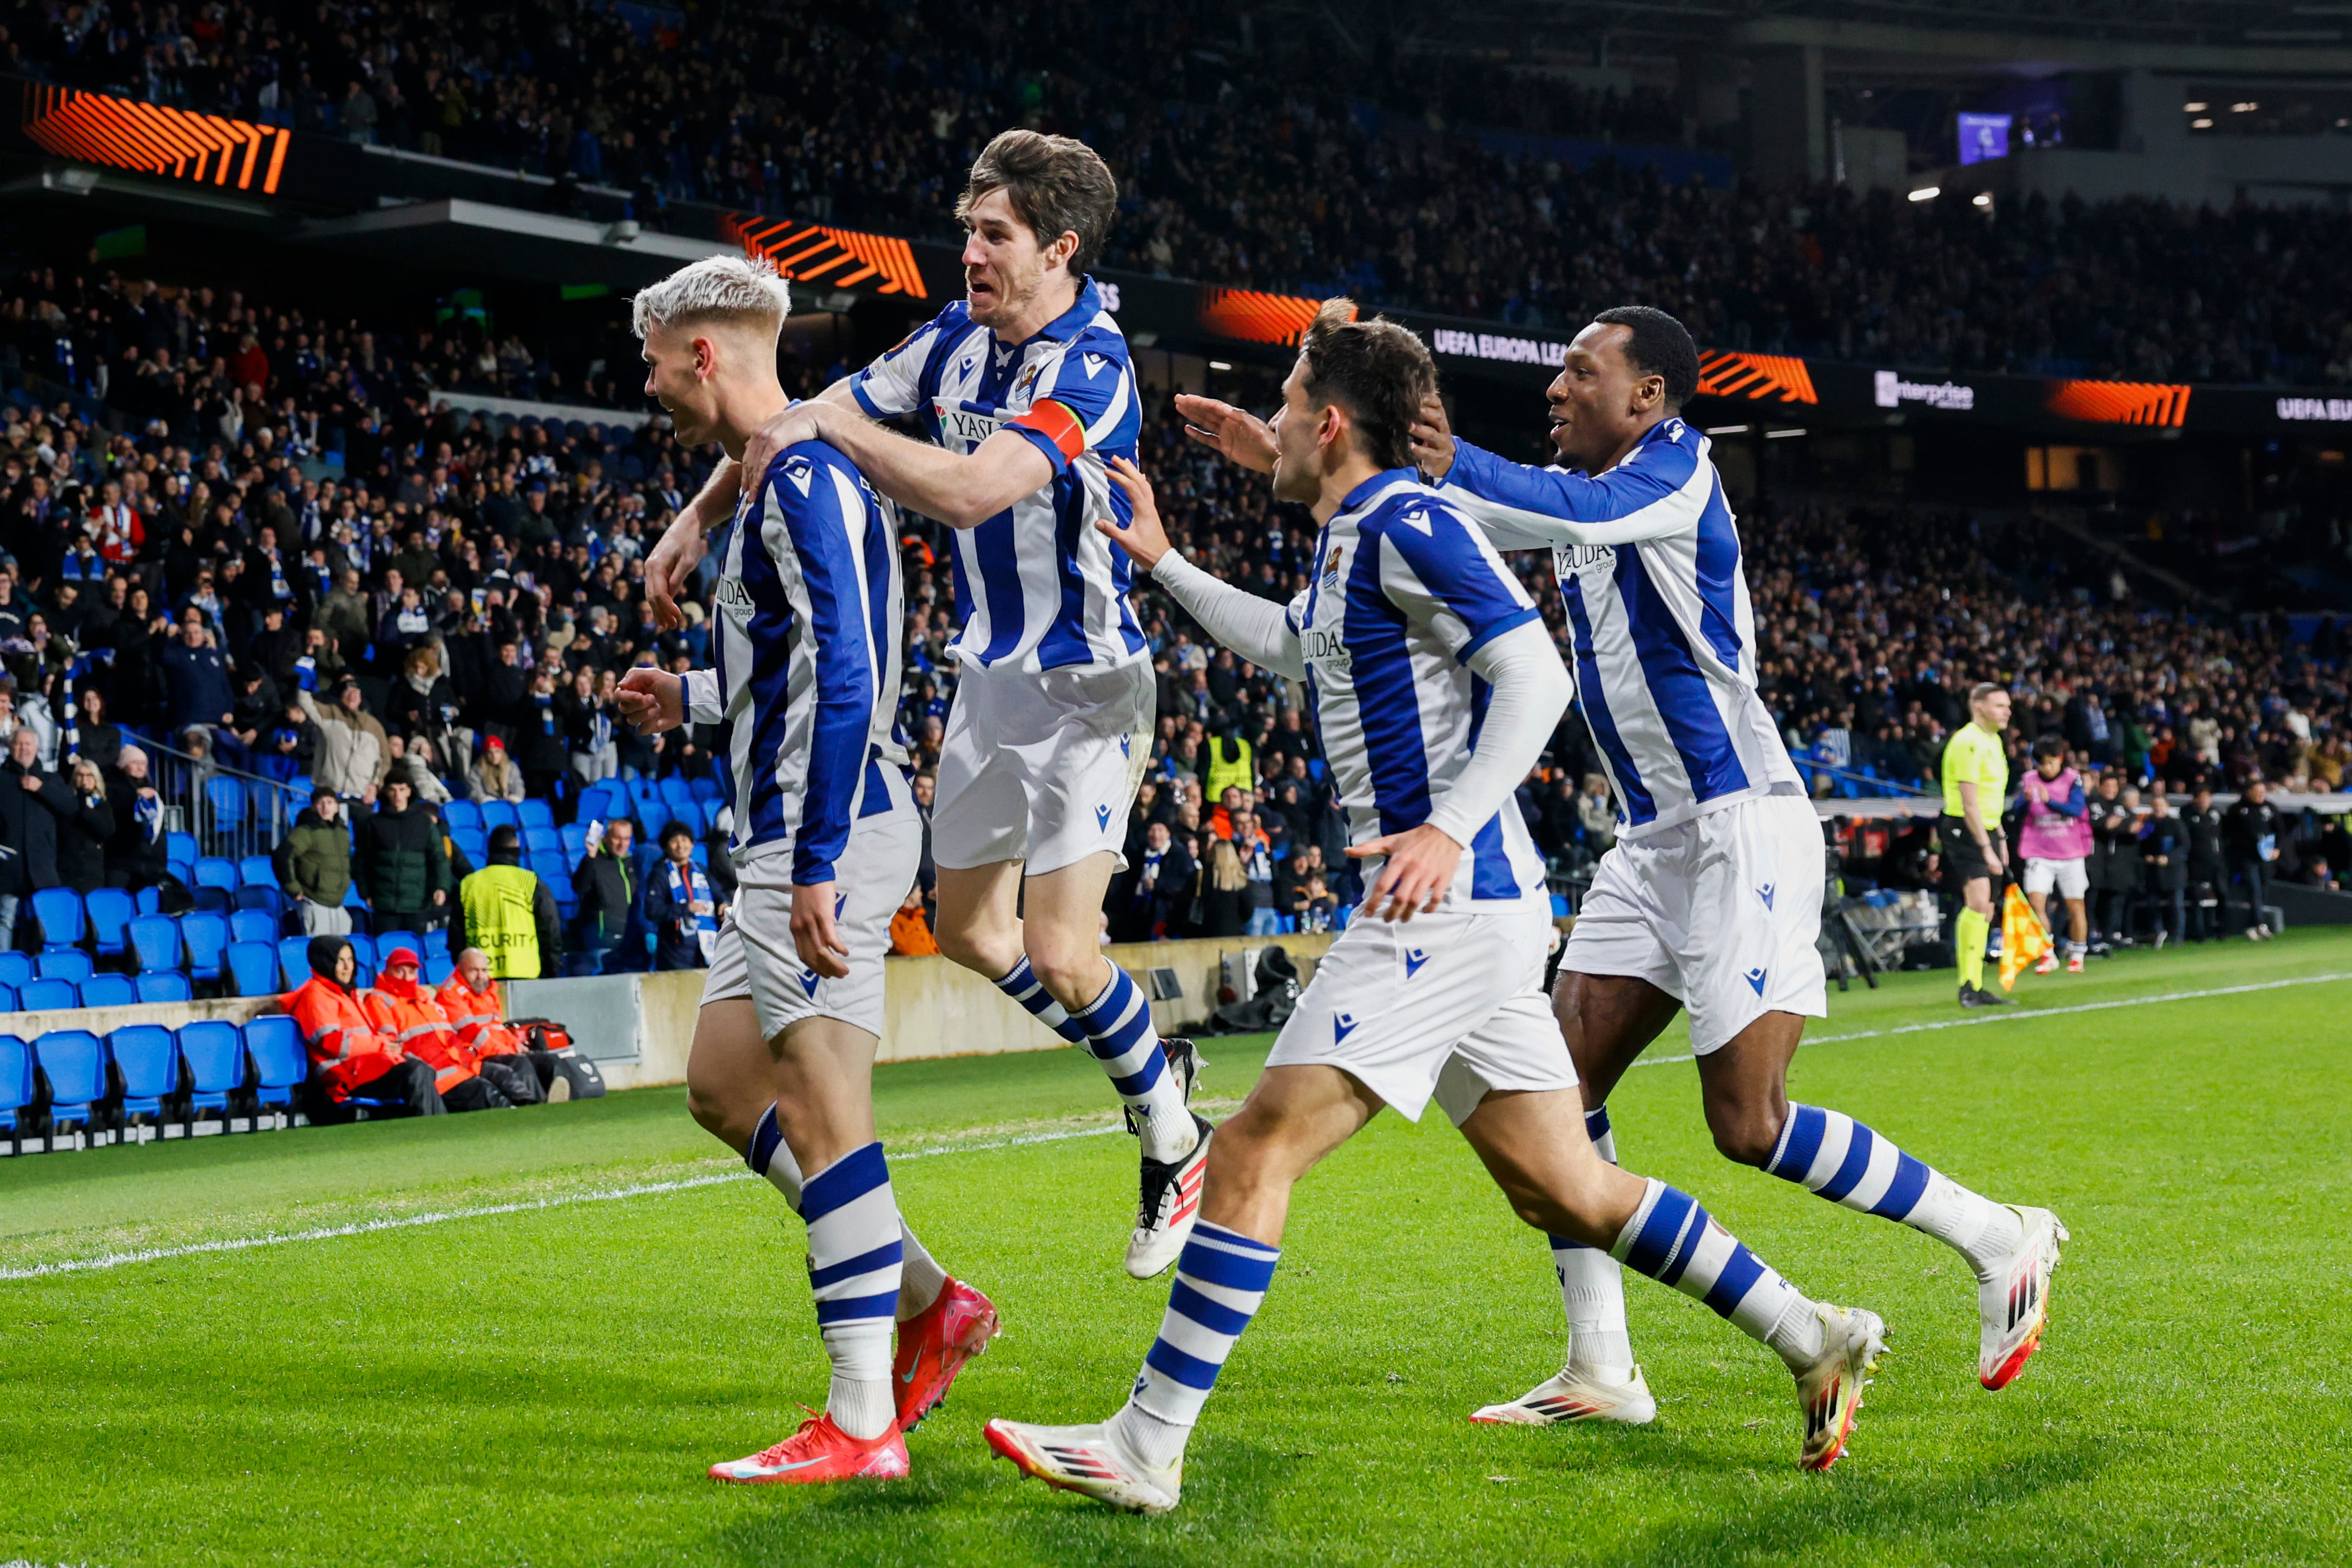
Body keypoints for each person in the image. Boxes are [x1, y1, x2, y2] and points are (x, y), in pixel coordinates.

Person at [983, 302, 1885, 1513]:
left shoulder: (1409, 521)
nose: (1274, 427)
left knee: (1251, 1147)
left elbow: (1535, 670)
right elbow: (1300, 648)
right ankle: (1809, 1334)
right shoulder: (1357, 532)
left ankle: (1144, 1446)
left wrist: (1448, 824)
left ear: (1333, 422)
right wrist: (1164, 564)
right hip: (1474, 915)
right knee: (1566, 1189)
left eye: (1289, 406)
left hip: (1446, 912)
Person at [1189, 304, 2061, 1425]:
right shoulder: (1571, 509)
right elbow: (1423, 520)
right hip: (1649, 845)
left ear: (1646, 395)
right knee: (1563, 1103)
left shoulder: (1673, 474)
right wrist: (1299, 448)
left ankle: (1999, 1236)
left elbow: (1567, 510)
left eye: (1578, 372)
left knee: (1746, 1125)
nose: (1555, 388)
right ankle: (1601, 1363)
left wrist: (1454, 458)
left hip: (1741, 820)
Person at [645, 131, 1208, 1279]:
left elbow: (966, 491)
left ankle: (1168, 1125)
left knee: (1056, 946)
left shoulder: (1091, 369)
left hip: (1092, 690)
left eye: (993, 236)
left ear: (1059, 249)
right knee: (962, 934)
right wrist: (698, 515)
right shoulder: (955, 339)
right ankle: (1155, 1065)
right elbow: (789, 416)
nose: (970, 254)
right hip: (988, 687)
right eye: (967, 231)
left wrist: (838, 425)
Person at [614, 253, 993, 1487]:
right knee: (728, 1085)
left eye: (656, 361)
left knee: (829, 1121)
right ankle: (928, 1303)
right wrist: (694, 694)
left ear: (704, 354)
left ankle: (861, 1420)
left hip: (814, 838)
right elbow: (786, 677)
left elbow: (849, 675)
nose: (651, 384)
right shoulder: (773, 479)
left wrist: (821, 860)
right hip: (782, 834)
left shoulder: (808, 475)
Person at [282, 936, 443, 1120]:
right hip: (342, 1076)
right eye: (340, 961)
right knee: (416, 1072)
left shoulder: (346, 993)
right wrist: (382, 1045)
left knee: (424, 1070)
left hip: (362, 1067)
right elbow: (331, 1042)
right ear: (325, 962)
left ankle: (433, 1130)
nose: (347, 967)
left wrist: (386, 1046)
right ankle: (433, 1131)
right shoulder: (316, 995)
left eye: (350, 960)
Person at [361, 946, 518, 1109]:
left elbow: (447, 1034)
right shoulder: (379, 1000)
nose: (406, 977)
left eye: (412, 972)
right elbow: (392, 1046)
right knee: (486, 1093)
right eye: (400, 971)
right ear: (387, 971)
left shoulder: (424, 997)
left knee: (505, 1075)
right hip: (438, 1074)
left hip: (462, 1064)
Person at [1940, 684, 2017, 1006]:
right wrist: (1986, 847)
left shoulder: (1994, 742)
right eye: (2000, 705)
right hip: (1964, 827)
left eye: (2008, 706)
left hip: (1987, 828)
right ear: (1979, 707)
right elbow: (1970, 803)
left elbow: (1990, 801)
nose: (2007, 711)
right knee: (1978, 901)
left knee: (1986, 909)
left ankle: (1976, 982)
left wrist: (2000, 838)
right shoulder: (1967, 742)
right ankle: (1967, 984)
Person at [437, 945, 574, 1103]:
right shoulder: (450, 995)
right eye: (474, 970)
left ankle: (563, 1101)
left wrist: (515, 1044)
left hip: (500, 1050)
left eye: (484, 970)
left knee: (549, 1061)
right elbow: (472, 1034)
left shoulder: (488, 991)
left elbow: (498, 1027)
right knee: (521, 1063)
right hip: (477, 1055)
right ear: (460, 969)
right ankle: (538, 1107)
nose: (480, 976)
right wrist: (507, 1051)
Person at [2018, 735, 2091, 973]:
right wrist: (2025, 803)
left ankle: (2078, 954)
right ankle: (2047, 954)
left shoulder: (2073, 779)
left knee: (2075, 906)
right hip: (2039, 852)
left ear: (2059, 760)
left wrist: (2050, 803)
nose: (2046, 768)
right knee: (2036, 903)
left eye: (2050, 763)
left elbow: (2076, 809)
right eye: (2041, 764)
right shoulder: (2028, 781)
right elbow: (2016, 812)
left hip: (2070, 853)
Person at [454, 824, 564, 979]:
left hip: (480, 976)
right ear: (517, 849)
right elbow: (551, 931)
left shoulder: (469, 884)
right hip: (526, 973)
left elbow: (456, 938)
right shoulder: (531, 882)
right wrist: (551, 971)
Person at [355, 776, 449, 934]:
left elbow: (439, 858)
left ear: (409, 792)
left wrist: (441, 887)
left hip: (417, 904)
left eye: (402, 790)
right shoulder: (374, 823)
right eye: (392, 790)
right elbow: (361, 860)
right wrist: (365, 893)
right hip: (384, 905)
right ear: (386, 793)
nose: (397, 796)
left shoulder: (424, 823)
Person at [0, 726, 62, 946]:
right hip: (8, 868)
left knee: (45, 922)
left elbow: (70, 808)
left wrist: (42, 788)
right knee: (5, 920)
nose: (23, 749)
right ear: (11, 747)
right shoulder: (2, 778)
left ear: (36, 748)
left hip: (42, 868)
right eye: (18, 744)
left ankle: (46, 972)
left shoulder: (50, 779)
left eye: (28, 744)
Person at [644, 819, 723, 970]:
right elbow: (652, 910)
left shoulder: (700, 869)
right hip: (675, 952)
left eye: (685, 840)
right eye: (674, 841)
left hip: (705, 947)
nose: (681, 846)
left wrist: (724, 904)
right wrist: (686, 908)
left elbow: (719, 894)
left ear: (692, 844)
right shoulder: (660, 873)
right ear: (666, 847)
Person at [275, 786, 354, 935]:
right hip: (315, 903)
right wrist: (293, 888)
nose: (325, 807)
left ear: (337, 807)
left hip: (338, 903)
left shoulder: (342, 831)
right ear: (313, 807)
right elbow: (282, 855)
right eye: (320, 803)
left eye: (330, 802)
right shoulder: (306, 831)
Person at [570, 816, 639, 971]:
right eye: (618, 838)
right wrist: (591, 856)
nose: (623, 844)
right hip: (603, 942)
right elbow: (579, 888)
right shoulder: (594, 861)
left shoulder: (633, 864)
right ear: (606, 838)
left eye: (627, 839)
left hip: (630, 942)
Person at [104, 743, 169, 890]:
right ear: (123, 765)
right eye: (135, 763)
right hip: (120, 862)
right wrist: (136, 795)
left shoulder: (152, 793)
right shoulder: (112, 788)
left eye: (144, 764)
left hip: (150, 862)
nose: (140, 768)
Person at [2223, 779, 2282, 939]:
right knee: (2254, 889)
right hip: (2246, 857)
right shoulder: (2237, 810)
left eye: (2263, 792)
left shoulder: (2270, 808)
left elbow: (2280, 831)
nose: (2261, 796)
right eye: (2258, 792)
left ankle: (2254, 924)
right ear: (2249, 792)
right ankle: (2259, 924)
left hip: (2265, 857)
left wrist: (2278, 849)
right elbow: (2229, 834)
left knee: (2263, 889)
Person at [53, 756, 115, 895]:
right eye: (80, 775)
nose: (84, 779)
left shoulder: (102, 805)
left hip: (92, 872)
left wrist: (86, 809)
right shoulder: (67, 803)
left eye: (89, 775)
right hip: (67, 869)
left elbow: (107, 831)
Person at [2141, 793, 2189, 949]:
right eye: (2155, 806)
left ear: (2167, 807)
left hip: (2174, 872)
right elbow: (2141, 843)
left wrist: (2169, 859)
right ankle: (2158, 934)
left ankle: (2177, 937)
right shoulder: (2148, 824)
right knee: (2152, 905)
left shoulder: (2176, 824)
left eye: (2161, 806)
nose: (2158, 809)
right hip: (2154, 873)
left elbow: (2184, 846)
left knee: (2176, 905)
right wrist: (2146, 856)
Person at [2183, 786, 2229, 941]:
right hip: (2196, 864)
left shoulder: (2216, 813)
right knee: (2197, 898)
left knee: (2222, 893)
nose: (2205, 801)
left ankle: (2221, 929)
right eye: (2202, 797)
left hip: (2216, 862)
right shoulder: (2187, 814)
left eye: (2208, 797)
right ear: (2195, 798)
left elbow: (2224, 835)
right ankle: (2199, 933)